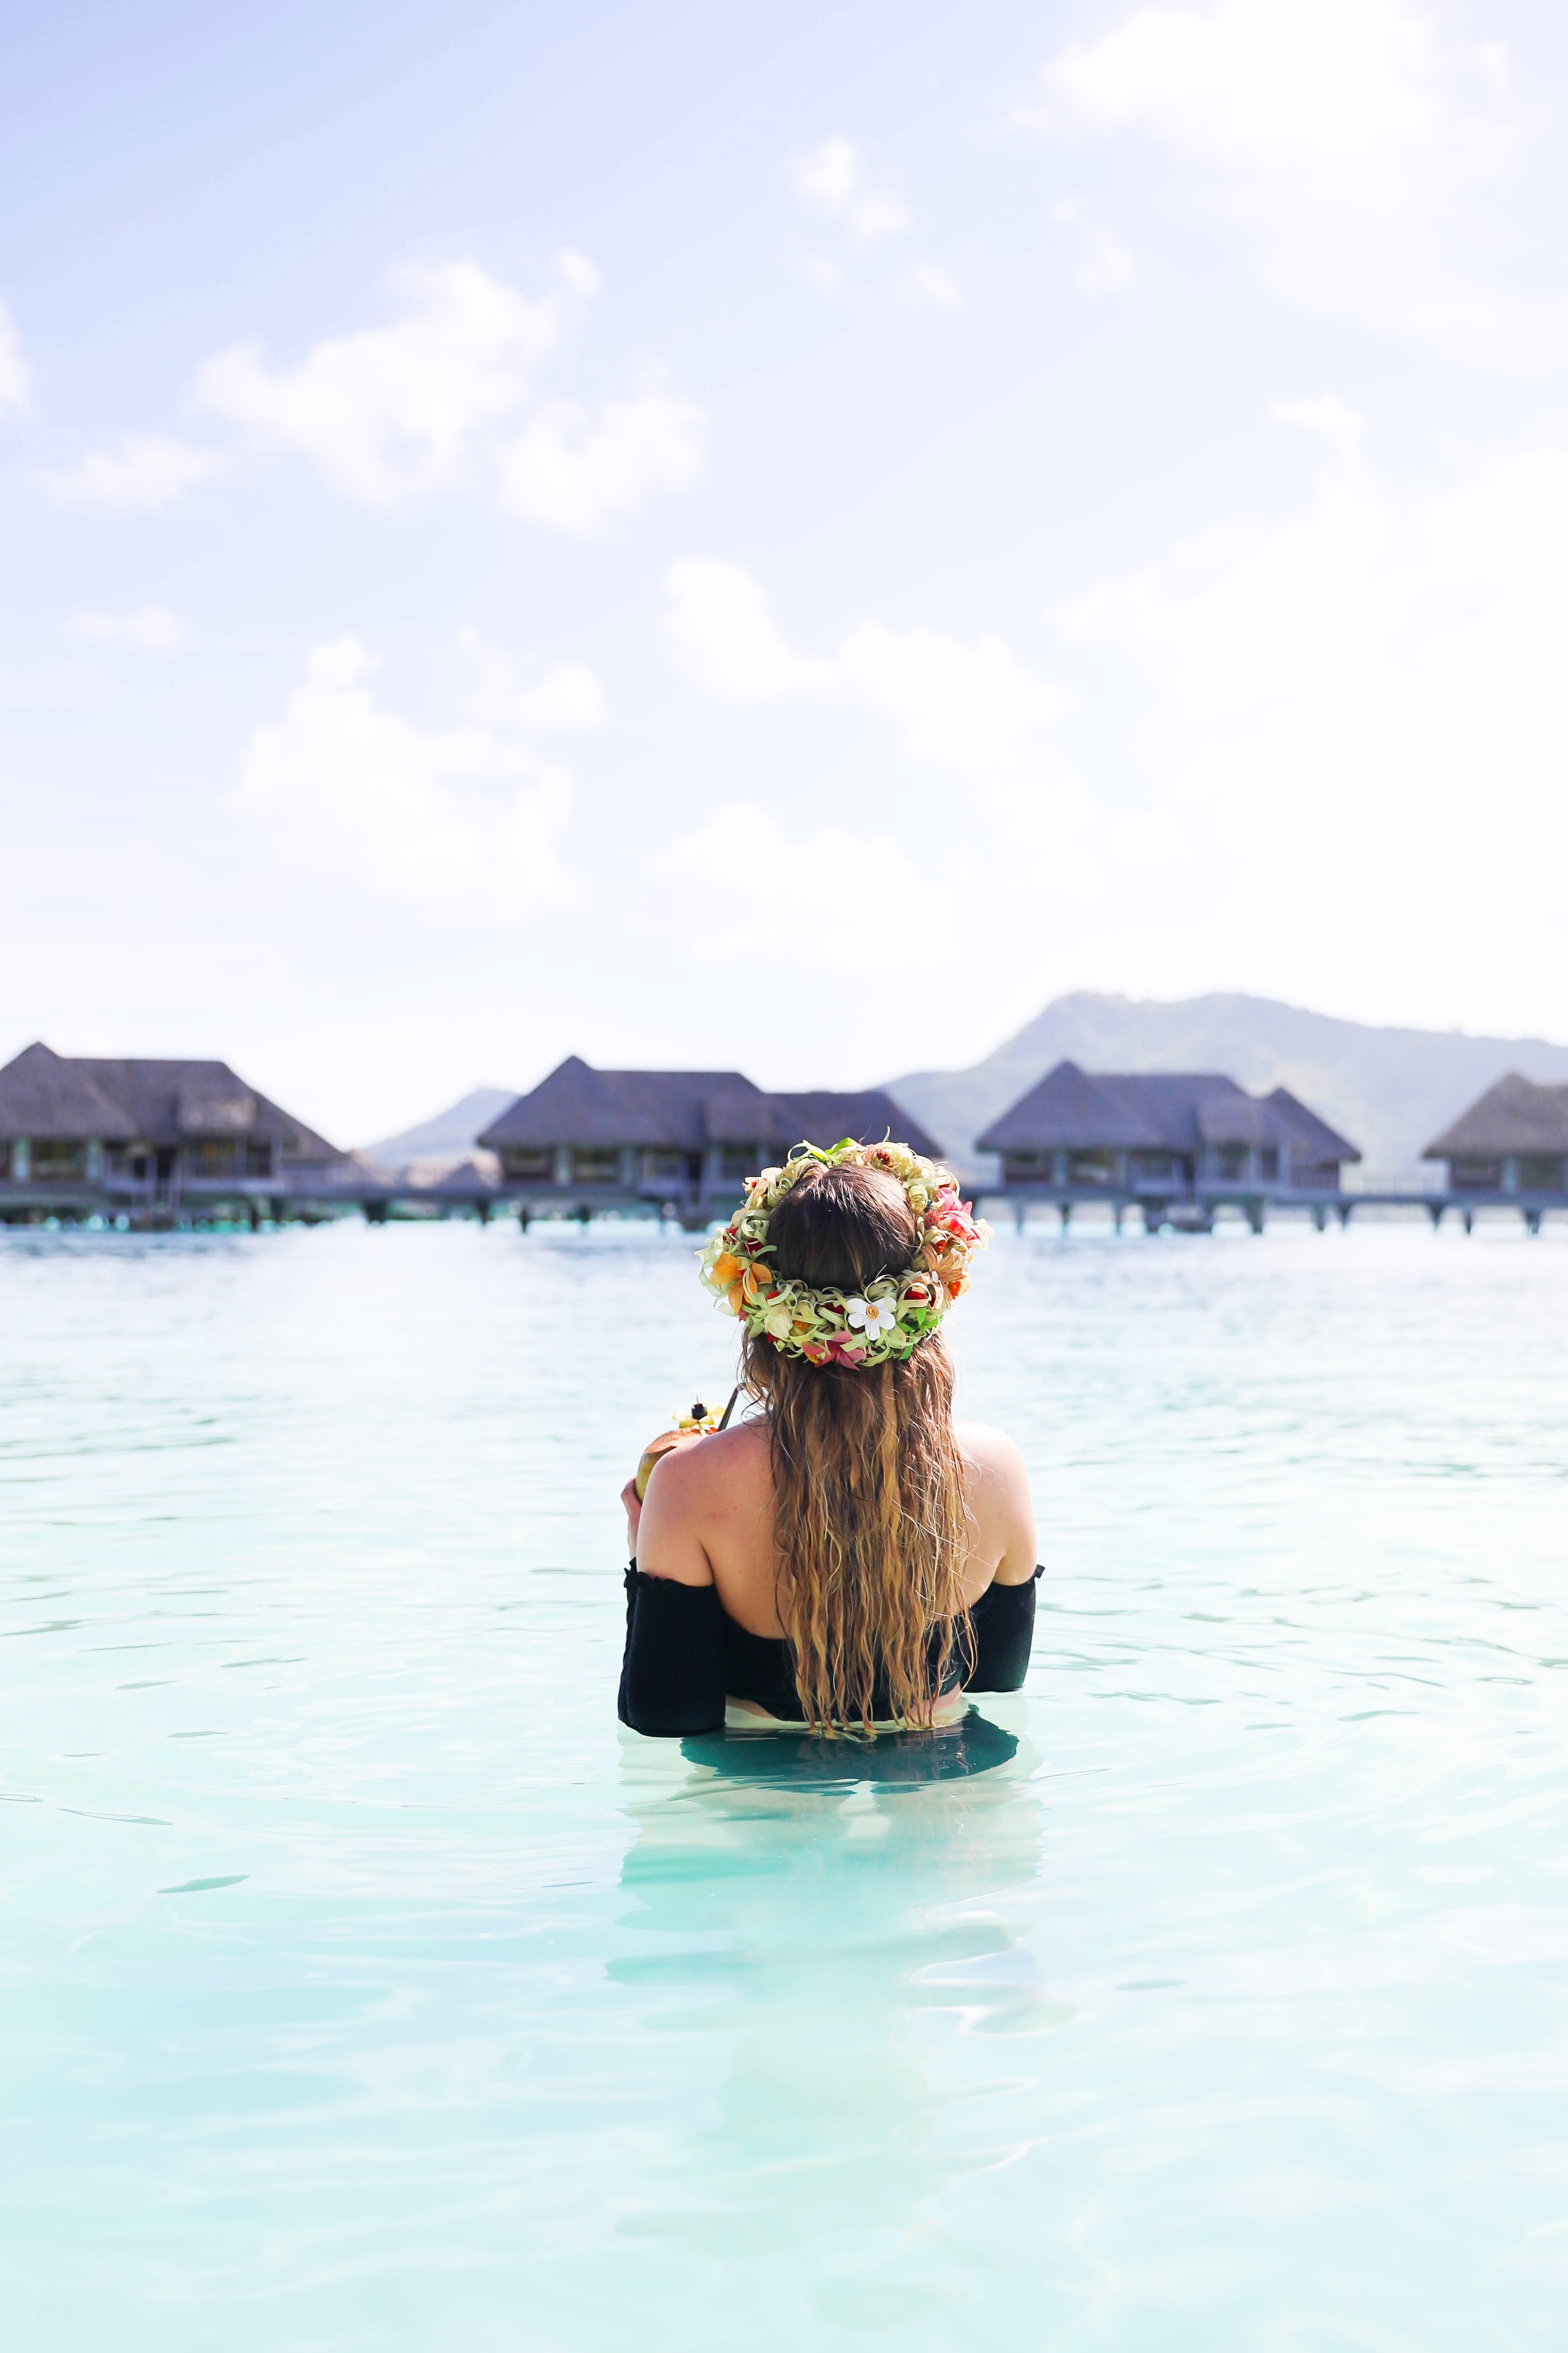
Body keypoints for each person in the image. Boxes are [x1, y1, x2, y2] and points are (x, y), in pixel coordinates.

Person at [618, 1140, 1039, 1737]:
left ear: (760, 1306)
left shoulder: (688, 1481)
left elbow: (666, 1716)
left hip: (763, 1800)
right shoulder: (996, 1465)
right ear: (926, 1298)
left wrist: (644, 1552)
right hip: (950, 1794)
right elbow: (998, 1678)